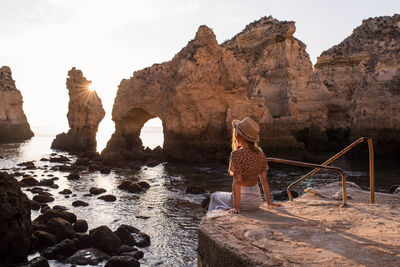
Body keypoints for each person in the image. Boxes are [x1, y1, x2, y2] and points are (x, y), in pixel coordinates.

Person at [208, 117, 281, 214]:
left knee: (215, 196)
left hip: (242, 202)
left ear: (240, 136)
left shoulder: (236, 154)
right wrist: (269, 201)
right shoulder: (260, 152)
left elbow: (237, 182)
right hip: (256, 201)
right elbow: (264, 179)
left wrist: (236, 208)